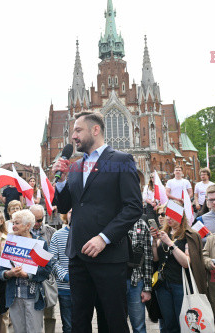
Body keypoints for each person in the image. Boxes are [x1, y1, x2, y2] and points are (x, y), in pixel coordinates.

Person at [53, 111, 143, 333]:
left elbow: (133, 207)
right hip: (77, 257)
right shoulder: (74, 168)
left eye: (78, 130)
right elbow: (64, 207)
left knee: (113, 321)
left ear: (95, 130)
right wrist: (61, 181)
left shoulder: (121, 161)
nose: (73, 136)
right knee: (79, 321)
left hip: (109, 257)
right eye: (73, 131)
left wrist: (104, 238)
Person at [150, 204, 207, 333]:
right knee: (168, 322)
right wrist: (154, 243)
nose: (169, 218)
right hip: (163, 284)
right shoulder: (164, 233)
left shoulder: (189, 235)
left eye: (173, 215)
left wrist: (170, 243)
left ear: (181, 216)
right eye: (167, 215)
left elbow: (186, 263)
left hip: (180, 285)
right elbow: (156, 259)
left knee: (183, 322)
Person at [0, 210, 52, 333]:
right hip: (14, 296)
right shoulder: (10, 242)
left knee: (34, 330)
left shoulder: (38, 243)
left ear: (28, 226)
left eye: (17, 223)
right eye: (13, 222)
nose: (13, 226)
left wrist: (27, 275)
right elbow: (2, 273)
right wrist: (9, 273)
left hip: (33, 297)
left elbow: (46, 270)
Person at [29, 204, 56, 333]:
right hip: (29, 279)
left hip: (46, 277)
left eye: (39, 220)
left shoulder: (51, 232)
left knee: (49, 313)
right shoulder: (23, 233)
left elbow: (55, 255)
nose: (37, 223)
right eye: (34, 220)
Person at [126, 216, 153, 333]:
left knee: (138, 325)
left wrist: (147, 288)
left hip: (135, 282)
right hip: (115, 282)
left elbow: (148, 258)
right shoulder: (111, 221)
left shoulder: (141, 224)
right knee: (116, 324)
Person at [50, 210, 72, 333]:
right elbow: (53, 260)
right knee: (68, 325)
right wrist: (66, 276)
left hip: (84, 288)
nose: (72, 215)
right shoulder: (57, 235)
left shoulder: (87, 233)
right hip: (65, 288)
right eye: (70, 212)